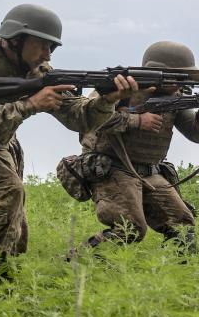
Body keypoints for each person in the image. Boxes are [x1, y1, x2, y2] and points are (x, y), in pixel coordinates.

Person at [0, 4, 137, 281]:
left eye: (52, 49)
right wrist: (31, 104)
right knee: (10, 190)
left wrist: (107, 100)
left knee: (15, 215)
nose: (47, 55)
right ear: (16, 38)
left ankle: (8, 272)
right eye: (43, 46)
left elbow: (78, 118)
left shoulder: (37, 69)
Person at [75, 41, 198, 252]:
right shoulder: (119, 88)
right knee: (129, 229)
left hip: (150, 172)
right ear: (157, 71)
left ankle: (171, 277)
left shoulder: (176, 97)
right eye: (177, 76)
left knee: (183, 227)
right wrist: (136, 121)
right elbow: (88, 119)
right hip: (113, 168)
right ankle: (75, 264)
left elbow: (195, 133)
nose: (181, 83)